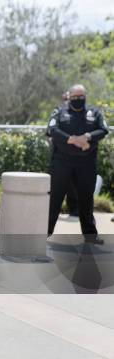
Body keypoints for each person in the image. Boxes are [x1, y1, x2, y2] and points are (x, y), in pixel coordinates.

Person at [47, 84, 109, 242]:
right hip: (62, 163)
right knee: (55, 199)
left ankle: (90, 236)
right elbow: (52, 129)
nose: (77, 100)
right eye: (74, 97)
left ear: (85, 97)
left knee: (86, 199)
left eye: (81, 97)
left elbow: (103, 130)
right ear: (69, 97)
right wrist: (72, 139)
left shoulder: (94, 113)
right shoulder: (59, 112)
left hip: (86, 164)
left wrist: (87, 137)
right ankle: (44, 233)